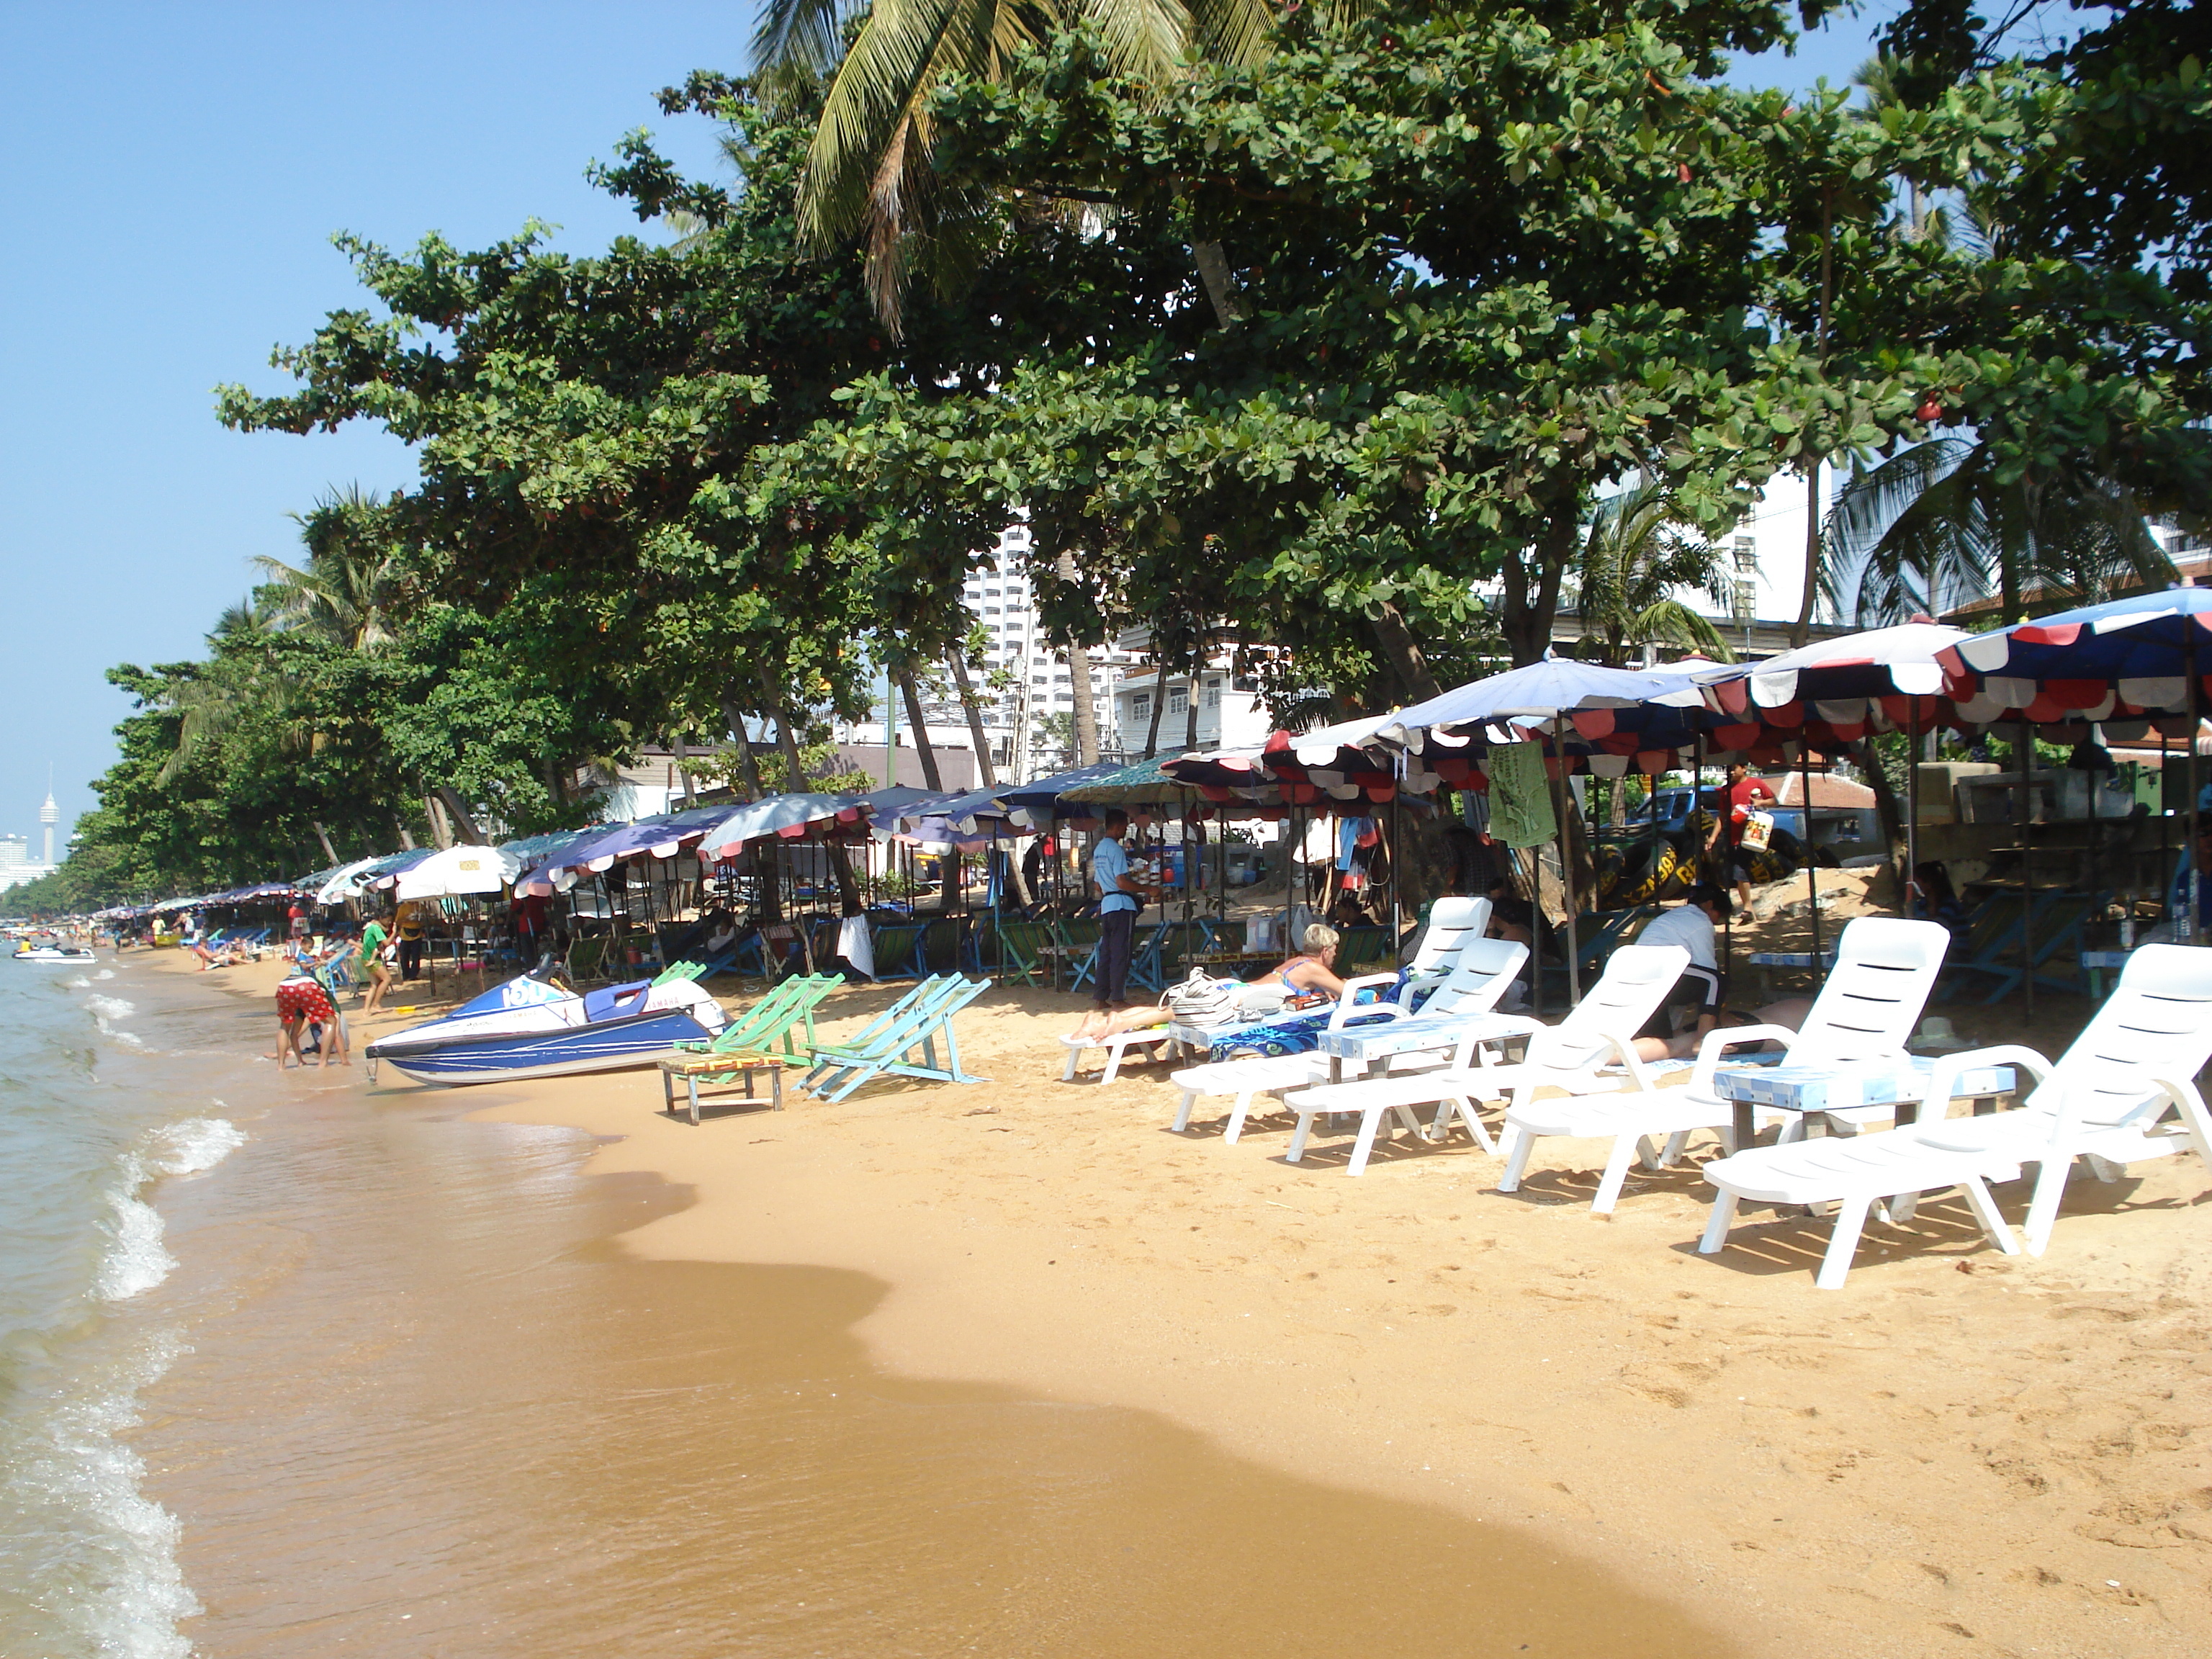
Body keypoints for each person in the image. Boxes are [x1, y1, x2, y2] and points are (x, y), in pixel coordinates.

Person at [1066, 924, 1367, 1061]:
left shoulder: (1296, 961)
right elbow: (1348, 991)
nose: (1335, 955)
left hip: (1233, 988)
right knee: (1167, 1012)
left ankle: (1101, 1018)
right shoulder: (1314, 967)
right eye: (1335, 950)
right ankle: (1110, 1024)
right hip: (1235, 998)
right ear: (1326, 950)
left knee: (1169, 1008)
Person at [1629, 884, 1732, 1061]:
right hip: (1658, 972)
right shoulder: (1700, 921)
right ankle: (1704, 1039)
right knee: (1715, 980)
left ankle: (1617, 1053)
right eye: (1719, 915)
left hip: (1640, 977)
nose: (1716, 921)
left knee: (1662, 1042)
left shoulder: (1675, 917)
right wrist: (1716, 1013)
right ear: (1709, 905)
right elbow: (1707, 968)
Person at [1088, 810, 1156, 1015]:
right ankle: (1118, 997)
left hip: (1108, 905)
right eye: (1125, 827)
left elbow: (1099, 886)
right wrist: (1147, 889)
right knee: (1121, 953)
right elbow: (1122, 881)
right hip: (1121, 905)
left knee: (1107, 953)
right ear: (1117, 826)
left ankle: (1101, 996)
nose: (1125, 830)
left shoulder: (1099, 849)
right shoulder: (1116, 850)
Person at [273, 950, 341, 1069]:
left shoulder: (301, 1007)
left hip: (285, 985)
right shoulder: (322, 989)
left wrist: (300, 1060)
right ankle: (323, 1063)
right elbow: (335, 1015)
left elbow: (295, 1034)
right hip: (306, 985)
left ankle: (281, 1065)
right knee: (331, 1022)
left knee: (285, 1026)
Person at [359, 912, 394, 1015]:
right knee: (387, 979)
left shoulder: (372, 927)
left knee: (374, 985)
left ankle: (366, 1009)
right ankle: (376, 1005)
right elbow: (387, 943)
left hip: (365, 958)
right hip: (372, 959)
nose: (389, 922)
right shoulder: (376, 928)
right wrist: (394, 933)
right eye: (388, 920)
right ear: (381, 918)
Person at [395, 899, 426, 982]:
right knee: (404, 955)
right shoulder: (402, 908)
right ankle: (406, 974)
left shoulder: (420, 907)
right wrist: (407, 919)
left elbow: (426, 920)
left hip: (417, 931)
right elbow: (397, 922)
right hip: (405, 933)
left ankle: (414, 974)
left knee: (416, 955)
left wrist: (420, 918)